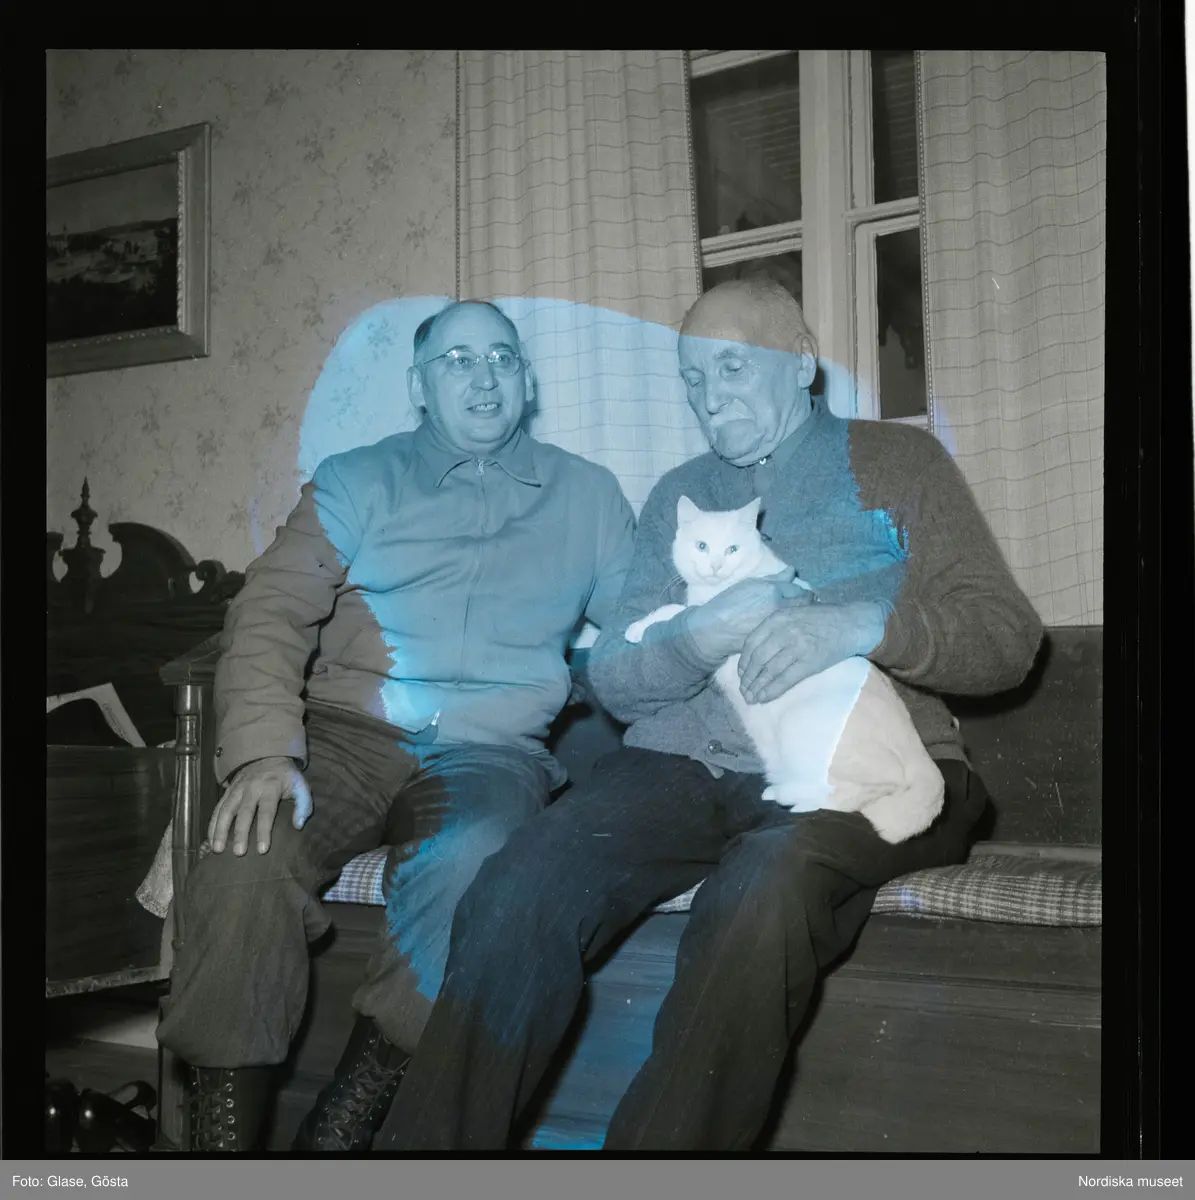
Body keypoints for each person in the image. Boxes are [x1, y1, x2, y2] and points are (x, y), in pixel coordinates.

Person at [372, 279, 1044, 1152]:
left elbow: (1005, 639)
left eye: (731, 365)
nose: (707, 393)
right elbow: (614, 677)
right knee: (519, 881)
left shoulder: (899, 464)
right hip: (681, 768)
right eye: (691, 376)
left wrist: (864, 624)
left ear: (799, 361)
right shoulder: (678, 497)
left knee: (761, 887)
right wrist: (693, 638)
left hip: (862, 765)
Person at [156, 300, 636, 1152]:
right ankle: (219, 1149)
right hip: (343, 735)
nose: (484, 377)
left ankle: (341, 1130)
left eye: (502, 358)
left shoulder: (590, 497)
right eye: (458, 360)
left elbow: (646, 631)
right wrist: (263, 753)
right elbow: (268, 611)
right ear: (419, 387)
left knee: (474, 864)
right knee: (244, 858)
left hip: (489, 755)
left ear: (526, 382)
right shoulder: (354, 480)